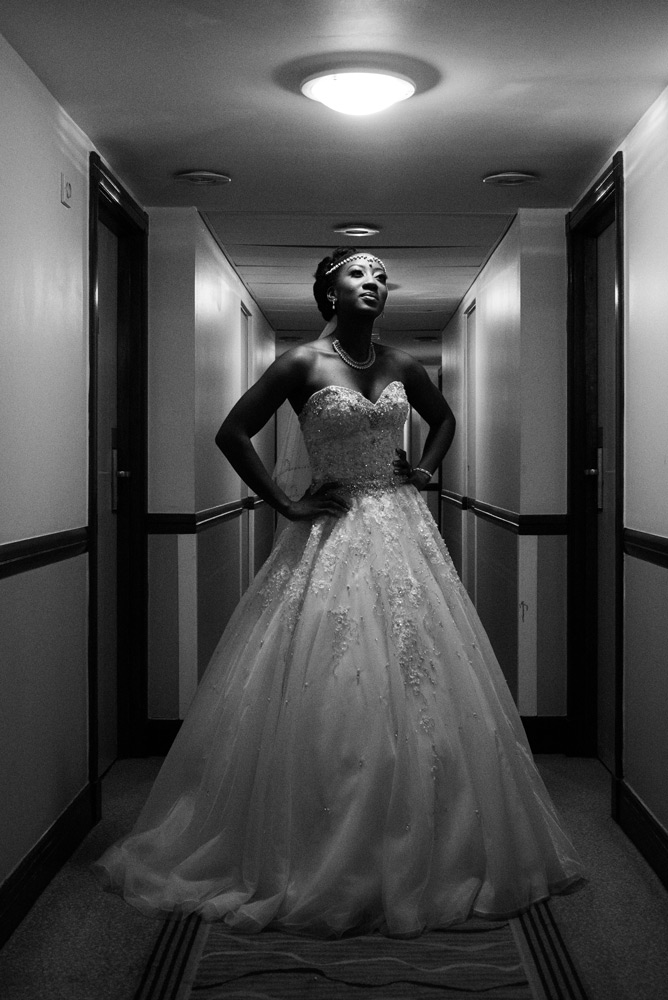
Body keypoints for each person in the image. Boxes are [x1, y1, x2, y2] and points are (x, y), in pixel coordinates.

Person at [95, 247, 584, 936]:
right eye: (359, 273)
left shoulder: (402, 366)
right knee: (328, 677)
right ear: (329, 290)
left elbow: (443, 421)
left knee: (425, 677)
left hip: (404, 528)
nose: (373, 283)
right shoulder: (301, 363)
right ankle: (312, 840)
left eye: (383, 276)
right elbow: (231, 432)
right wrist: (284, 503)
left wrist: (426, 469)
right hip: (330, 529)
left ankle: (429, 842)